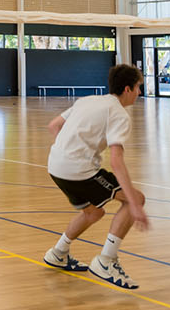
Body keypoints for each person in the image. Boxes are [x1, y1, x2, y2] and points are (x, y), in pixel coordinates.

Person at [42, 63, 149, 289]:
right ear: (127, 89)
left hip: (55, 166)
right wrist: (136, 206)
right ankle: (106, 261)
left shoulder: (87, 100)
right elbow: (116, 162)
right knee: (135, 199)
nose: (140, 93)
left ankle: (58, 252)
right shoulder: (119, 114)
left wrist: (68, 150)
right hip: (79, 170)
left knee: (93, 212)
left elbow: (54, 126)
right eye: (138, 87)